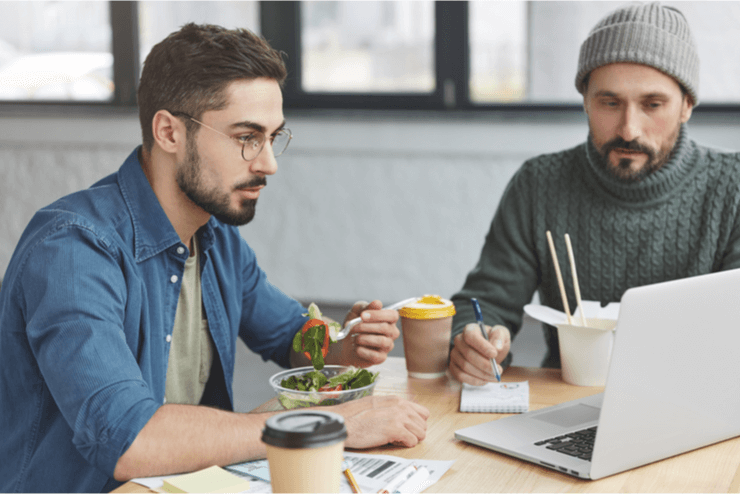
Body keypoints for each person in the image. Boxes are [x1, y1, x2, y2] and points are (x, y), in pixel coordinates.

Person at [0, 24, 428, 493]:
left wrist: (341, 343)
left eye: (272, 138)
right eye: (247, 137)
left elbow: (289, 332)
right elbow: (130, 439)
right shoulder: (72, 249)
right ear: (169, 132)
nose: (268, 163)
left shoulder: (215, 235)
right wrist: (333, 421)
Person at [449, 2, 740, 385]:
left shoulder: (732, 187)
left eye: (653, 104)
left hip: (699, 404)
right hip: (567, 400)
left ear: (687, 105)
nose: (629, 129)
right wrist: (473, 340)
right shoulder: (539, 184)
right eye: (609, 102)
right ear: (586, 100)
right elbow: (484, 302)